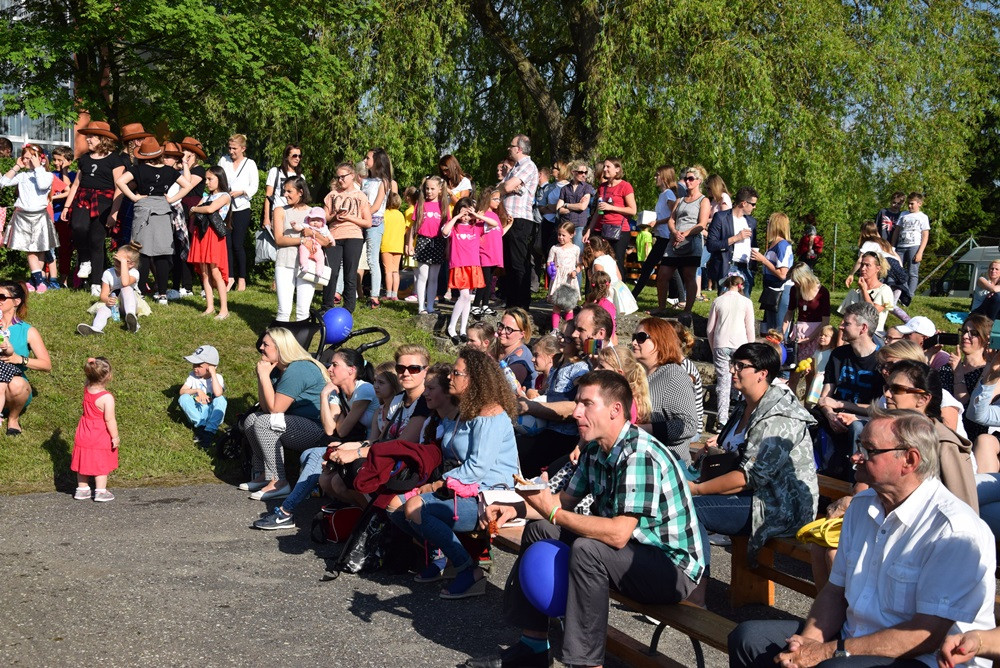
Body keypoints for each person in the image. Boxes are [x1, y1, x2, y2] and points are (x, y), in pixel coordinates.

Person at [470, 370, 705, 668]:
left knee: (588, 551)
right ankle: (533, 647)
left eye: (586, 404)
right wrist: (514, 509)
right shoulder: (595, 448)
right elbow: (562, 502)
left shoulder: (639, 454)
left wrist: (553, 512)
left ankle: (587, 663)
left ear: (615, 410)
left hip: (672, 569)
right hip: (630, 554)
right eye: (576, 403)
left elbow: (618, 534)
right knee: (540, 529)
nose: (576, 412)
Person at [729, 410, 995, 668]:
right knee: (749, 639)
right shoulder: (862, 506)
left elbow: (925, 636)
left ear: (910, 461)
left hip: (921, 657)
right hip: (855, 638)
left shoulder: (952, 529)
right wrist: (806, 645)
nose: (855, 456)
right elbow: (835, 592)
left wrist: (828, 652)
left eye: (869, 450)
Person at [392, 348, 519, 599]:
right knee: (394, 508)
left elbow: (477, 468)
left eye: (457, 373)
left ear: (474, 379)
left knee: (417, 509)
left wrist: (437, 484)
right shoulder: (470, 411)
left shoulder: (490, 414)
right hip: (464, 488)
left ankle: (470, 571)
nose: (451, 377)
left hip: (491, 496)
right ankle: (450, 559)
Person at [690, 342, 817, 567]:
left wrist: (698, 489)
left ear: (762, 374)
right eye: (732, 364)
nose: (732, 370)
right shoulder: (745, 405)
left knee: (691, 509)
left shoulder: (778, 415)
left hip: (778, 505)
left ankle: (695, 592)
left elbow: (751, 477)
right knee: (672, 482)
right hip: (752, 494)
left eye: (740, 366)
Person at [253, 348, 375, 528]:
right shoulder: (335, 392)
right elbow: (329, 428)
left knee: (316, 456)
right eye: (330, 365)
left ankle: (286, 511)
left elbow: (341, 430)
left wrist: (339, 419)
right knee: (307, 455)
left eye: (335, 365)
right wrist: (324, 395)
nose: (329, 369)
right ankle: (351, 508)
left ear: (351, 370)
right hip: (352, 442)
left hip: (369, 445)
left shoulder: (364, 389)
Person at [240, 328, 329, 501]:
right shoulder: (277, 369)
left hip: (317, 431)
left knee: (264, 423)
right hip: (295, 424)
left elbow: (275, 410)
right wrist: (263, 376)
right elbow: (266, 409)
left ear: (280, 347)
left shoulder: (298, 369)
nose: (261, 348)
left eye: (266, 344)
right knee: (252, 419)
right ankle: (263, 475)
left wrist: (264, 376)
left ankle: (279, 482)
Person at [116, 137, 193, 304]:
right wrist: (172, 200)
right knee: (163, 252)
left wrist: (134, 197)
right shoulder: (169, 171)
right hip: (163, 209)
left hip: (143, 208)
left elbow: (120, 181)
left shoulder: (138, 169)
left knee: (141, 251)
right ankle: (163, 294)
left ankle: (140, 291)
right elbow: (187, 185)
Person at [816, 302, 883, 479]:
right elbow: (824, 399)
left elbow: (879, 408)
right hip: (834, 419)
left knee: (856, 427)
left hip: (865, 421)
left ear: (863, 328)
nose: (841, 326)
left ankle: (855, 483)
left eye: (846, 323)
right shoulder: (838, 355)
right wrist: (830, 415)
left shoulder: (882, 361)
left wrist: (842, 405)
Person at [62, 121, 124, 294]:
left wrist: (114, 212)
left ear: (103, 139)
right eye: (87, 136)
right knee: (78, 227)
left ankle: (96, 283)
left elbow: (119, 187)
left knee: (97, 241)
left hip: (104, 201)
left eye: (92, 136)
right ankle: (84, 259)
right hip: (83, 198)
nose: (87, 139)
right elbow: (76, 184)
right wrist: (67, 206)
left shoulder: (115, 159)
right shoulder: (84, 159)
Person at [631, 317, 699, 464]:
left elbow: (689, 425)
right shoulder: (638, 373)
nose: (634, 342)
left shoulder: (673, 375)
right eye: (634, 337)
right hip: (640, 461)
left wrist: (639, 429)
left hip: (666, 466)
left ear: (660, 341)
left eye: (641, 337)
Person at [1, 144, 57, 292]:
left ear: (39, 159)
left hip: (39, 215)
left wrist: (38, 167)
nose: (25, 161)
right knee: (30, 250)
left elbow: (43, 185)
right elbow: (2, 183)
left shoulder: (47, 175)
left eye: (29, 158)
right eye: (23, 158)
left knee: (39, 249)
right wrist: (16, 167)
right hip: (23, 215)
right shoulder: (22, 176)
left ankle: (34, 280)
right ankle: (40, 281)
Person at [0, 281, 53, 436]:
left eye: (2, 297)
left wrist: (19, 359)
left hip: (12, 384)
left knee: (18, 385)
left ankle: (13, 419)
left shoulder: (27, 330)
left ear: (16, 302)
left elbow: (46, 365)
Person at [659, 165, 712, 312]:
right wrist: (675, 232)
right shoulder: (680, 200)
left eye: (691, 179)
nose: (687, 181)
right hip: (675, 241)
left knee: (689, 275)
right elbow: (671, 219)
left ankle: (688, 309)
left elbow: (702, 224)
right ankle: (661, 307)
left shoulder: (704, 201)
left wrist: (685, 234)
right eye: (685, 178)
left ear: (698, 181)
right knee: (663, 273)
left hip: (692, 241)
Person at [707, 274, 756, 429]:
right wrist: (752, 348)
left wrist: (712, 345)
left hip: (720, 343)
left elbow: (710, 329)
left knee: (723, 382)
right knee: (740, 377)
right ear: (741, 285)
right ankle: (737, 412)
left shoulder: (718, 300)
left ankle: (722, 420)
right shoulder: (746, 302)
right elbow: (750, 328)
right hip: (740, 344)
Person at [322, 163, 372, 313]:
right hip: (334, 237)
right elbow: (324, 218)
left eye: (343, 177)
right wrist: (334, 216)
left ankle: (348, 309)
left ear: (352, 176)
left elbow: (368, 222)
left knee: (350, 274)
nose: (340, 180)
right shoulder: (332, 195)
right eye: (338, 177)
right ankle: (326, 307)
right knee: (331, 272)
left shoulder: (360, 196)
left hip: (354, 237)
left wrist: (350, 217)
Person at [444, 197, 494, 343]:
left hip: (473, 265)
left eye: (468, 214)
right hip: (459, 265)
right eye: (463, 214)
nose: (466, 217)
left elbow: (494, 224)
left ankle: (463, 329)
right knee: (464, 296)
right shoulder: (453, 227)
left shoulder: (477, 227)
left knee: (467, 299)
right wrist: (457, 217)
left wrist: (477, 215)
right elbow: (445, 231)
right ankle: (452, 327)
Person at [71, 357, 120, 503]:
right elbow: (109, 419)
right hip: (99, 433)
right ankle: (100, 491)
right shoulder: (107, 398)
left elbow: (90, 380)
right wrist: (115, 436)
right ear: (109, 376)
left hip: (84, 430)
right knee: (101, 462)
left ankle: (82, 489)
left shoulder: (87, 388)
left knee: (83, 458)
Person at [499, 134, 539, 310]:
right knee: (508, 262)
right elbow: (498, 189)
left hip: (520, 219)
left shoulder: (528, 166)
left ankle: (521, 303)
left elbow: (504, 187)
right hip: (508, 219)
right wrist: (506, 187)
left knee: (518, 262)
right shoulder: (515, 168)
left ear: (519, 148)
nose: (509, 148)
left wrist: (507, 188)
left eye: (511, 145)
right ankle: (511, 301)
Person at [187, 166, 232, 320]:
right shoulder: (206, 196)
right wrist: (196, 208)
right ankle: (210, 307)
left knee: (215, 271)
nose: (206, 182)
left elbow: (209, 209)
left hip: (214, 236)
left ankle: (224, 309)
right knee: (205, 272)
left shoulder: (225, 196)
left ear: (219, 178)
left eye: (210, 179)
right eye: (206, 179)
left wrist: (195, 208)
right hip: (201, 235)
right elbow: (192, 212)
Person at [217, 134, 259, 292]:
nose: (231, 151)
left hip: (241, 207)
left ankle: (242, 278)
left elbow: (254, 185)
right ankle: (229, 277)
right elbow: (217, 179)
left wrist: (242, 192)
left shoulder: (250, 164)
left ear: (243, 149)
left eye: (234, 148)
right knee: (226, 244)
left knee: (237, 244)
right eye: (230, 148)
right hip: (225, 207)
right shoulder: (223, 160)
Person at [939, 314, 990, 441]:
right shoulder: (947, 367)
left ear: (985, 339)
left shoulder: (987, 372)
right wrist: (931, 353)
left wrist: (958, 373)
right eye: (964, 331)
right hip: (939, 427)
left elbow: (965, 407)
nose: (966, 336)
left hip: (968, 437)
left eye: (973, 333)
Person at [633, 165, 679, 302]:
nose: (655, 178)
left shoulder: (669, 194)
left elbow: (674, 214)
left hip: (666, 236)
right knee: (670, 267)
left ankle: (634, 294)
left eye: (657, 175)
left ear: (664, 177)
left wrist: (657, 222)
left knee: (649, 265)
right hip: (661, 235)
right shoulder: (663, 195)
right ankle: (678, 297)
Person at [785, 262, 832, 393]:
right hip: (799, 332)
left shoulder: (822, 292)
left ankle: (809, 407)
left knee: (811, 375)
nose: (795, 284)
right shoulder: (794, 290)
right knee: (794, 372)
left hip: (815, 333)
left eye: (797, 281)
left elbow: (825, 320)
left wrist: (810, 338)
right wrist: (783, 332)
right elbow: (789, 312)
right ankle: (791, 404)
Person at [705, 186, 759, 297]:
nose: (755, 207)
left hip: (746, 269)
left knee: (744, 305)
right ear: (744, 203)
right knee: (726, 305)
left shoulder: (751, 222)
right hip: (728, 267)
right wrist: (736, 238)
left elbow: (754, 245)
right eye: (753, 204)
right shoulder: (721, 218)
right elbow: (711, 245)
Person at [76, 243, 141, 335]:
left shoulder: (134, 272)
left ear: (131, 264)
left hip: (131, 303)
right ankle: (96, 328)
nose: (117, 262)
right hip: (115, 304)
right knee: (102, 310)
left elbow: (125, 283)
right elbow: (103, 295)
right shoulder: (108, 273)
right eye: (116, 259)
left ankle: (132, 318)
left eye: (121, 261)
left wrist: (123, 263)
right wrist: (107, 300)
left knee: (126, 289)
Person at [406, 176, 448, 316]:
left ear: (440, 189)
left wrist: (447, 247)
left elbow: (447, 228)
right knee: (422, 275)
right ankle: (421, 306)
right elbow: (413, 226)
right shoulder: (421, 204)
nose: (429, 191)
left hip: (438, 242)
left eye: (432, 189)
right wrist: (410, 243)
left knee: (434, 277)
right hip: (423, 241)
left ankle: (430, 306)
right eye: (427, 188)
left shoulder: (444, 207)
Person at [361, 147, 395, 308]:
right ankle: (340, 292)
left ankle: (374, 296)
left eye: (368, 158)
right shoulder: (365, 180)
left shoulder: (384, 182)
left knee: (372, 259)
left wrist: (362, 212)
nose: (365, 161)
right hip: (360, 220)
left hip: (374, 222)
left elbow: (375, 206)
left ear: (377, 161)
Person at [753, 211, 794, 336]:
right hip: (771, 290)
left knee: (778, 330)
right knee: (770, 329)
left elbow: (783, 274)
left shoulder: (782, 246)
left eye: (769, 222)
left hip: (781, 291)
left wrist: (763, 260)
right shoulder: (774, 244)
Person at [178, 345, 227, 448]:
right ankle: (201, 427)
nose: (195, 368)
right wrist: (197, 390)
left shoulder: (218, 378)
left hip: (212, 413)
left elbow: (218, 393)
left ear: (211, 367)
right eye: (194, 365)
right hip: (198, 413)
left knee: (221, 400)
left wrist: (213, 374)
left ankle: (209, 432)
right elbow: (182, 391)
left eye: (199, 366)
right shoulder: (192, 376)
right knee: (183, 398)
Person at [839, 251, 894, 339]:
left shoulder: (884, 290)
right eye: (862, 265)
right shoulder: (854, 292)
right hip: (851, 339)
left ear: (877, 268)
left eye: (868, 265)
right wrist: (840, 344)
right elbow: (844, 321)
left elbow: (873, 313)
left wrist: (864, 290)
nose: (863, 268)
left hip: (873, 338)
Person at [471, 186, 507, 317]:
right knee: (484, 280)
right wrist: (478, 215)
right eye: (495, 199)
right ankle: (475, 305)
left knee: (490, 280)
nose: (498, 201)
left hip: (494, 253)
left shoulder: (494, 216)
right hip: (485, 252)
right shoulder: (483, 214)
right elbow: (482, 229)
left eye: (499, 199)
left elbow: (500, 232)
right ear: (488, 199)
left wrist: (509, 225)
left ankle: (485, 305)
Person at [891, 192, 930, 299]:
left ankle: (909, 295)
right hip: (901, 247)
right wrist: (893, 247)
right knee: (897, 270)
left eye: (912, 204)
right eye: (908, 203)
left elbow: (925, 235)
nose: (909, 206)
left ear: (919, 204)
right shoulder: (903, 214)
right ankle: (898, 294)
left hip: (914, 246)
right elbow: (897, 231)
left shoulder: (923, 217)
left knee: (912, 272)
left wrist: (920, 252)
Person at [546, 221, 582, 332]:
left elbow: (580, 264)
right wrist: (552, 268)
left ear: (571, 235)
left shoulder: (576, 249)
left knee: (569, 306)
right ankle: (555, 329)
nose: (560, 237)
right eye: (559, 235)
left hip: (569, 280)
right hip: (558, 279)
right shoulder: (554, 248)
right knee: (557, 306)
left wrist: (576, 271)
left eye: (563, 235)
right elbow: (549, 262)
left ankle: (568, 328)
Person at [556, 161, 595, 254]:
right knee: (564, 253)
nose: (584, 175)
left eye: (586, 173)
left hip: (579, 226)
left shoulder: (587, 187)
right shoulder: (565, 189)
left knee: (578, 254)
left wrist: (566, 205)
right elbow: (558, 209)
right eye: (581, 172)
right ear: (573, 172)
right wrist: (574, 206)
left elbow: (582, 207)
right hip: (565, 226)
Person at [262, 144, 302, 233]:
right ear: (287, 157)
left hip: (294, 215)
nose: (297, 158)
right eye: (294, 155)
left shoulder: (300, 176)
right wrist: (266, 218)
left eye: (300, 156)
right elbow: (268, 196)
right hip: (277, 213)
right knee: (276, 243)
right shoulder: (275, 171)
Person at [495, 307, 536, 392]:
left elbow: (501, 389)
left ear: (522, 334)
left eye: (509, 329)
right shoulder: (498, 348)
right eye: (501, 326)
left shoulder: (520, 362)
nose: (502, 332)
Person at [380, 192, 406, 301]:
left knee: (388, 271)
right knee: (396, 271)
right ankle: (395, 294)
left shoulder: (385, 213)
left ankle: (388, 293)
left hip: (386, 245)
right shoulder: (401, 215)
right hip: (398, 246)